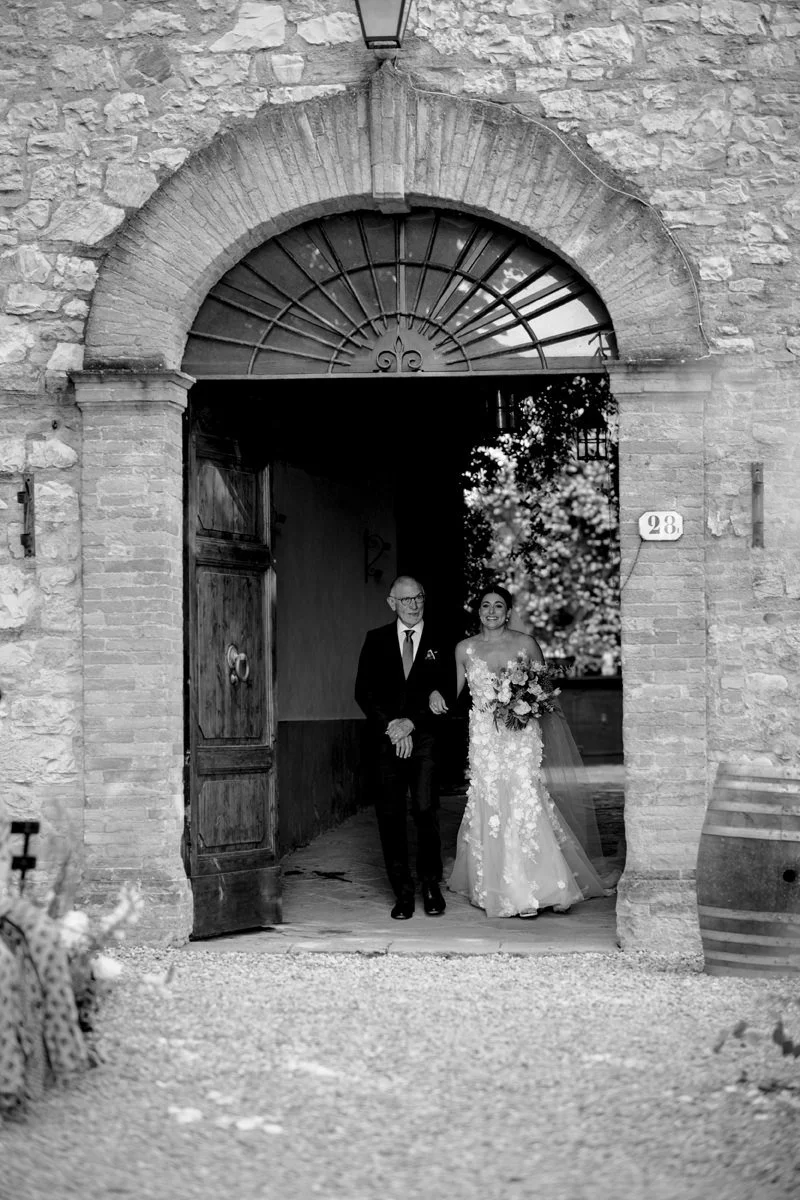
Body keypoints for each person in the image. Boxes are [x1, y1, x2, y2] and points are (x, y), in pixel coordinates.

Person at [443, 585, 612, 919]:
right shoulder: (464, 649)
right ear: (478, 611)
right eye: (485, 605)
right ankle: (501, 887)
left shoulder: (526, 644)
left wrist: (527, 704)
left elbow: (545, 690)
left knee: (524, 799)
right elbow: (452, 692)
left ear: (508, 612)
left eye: (499, 606)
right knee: (490, 801)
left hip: (521, 737)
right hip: (485, 740)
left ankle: (543, 886)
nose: (491, 611)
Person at [355, 575, 452, 920]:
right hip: (387, 742)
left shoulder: (442, 639)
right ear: (391, 602)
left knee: (426, 810)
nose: (414, 605)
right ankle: (403, 891)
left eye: (419, 598)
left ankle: (430, 884)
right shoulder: (376, 639)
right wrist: (392, 727)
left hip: (424, 739)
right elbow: (364, 693)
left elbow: (451, 692)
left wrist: (412, 723)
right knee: (390, 815)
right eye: (407, 599)